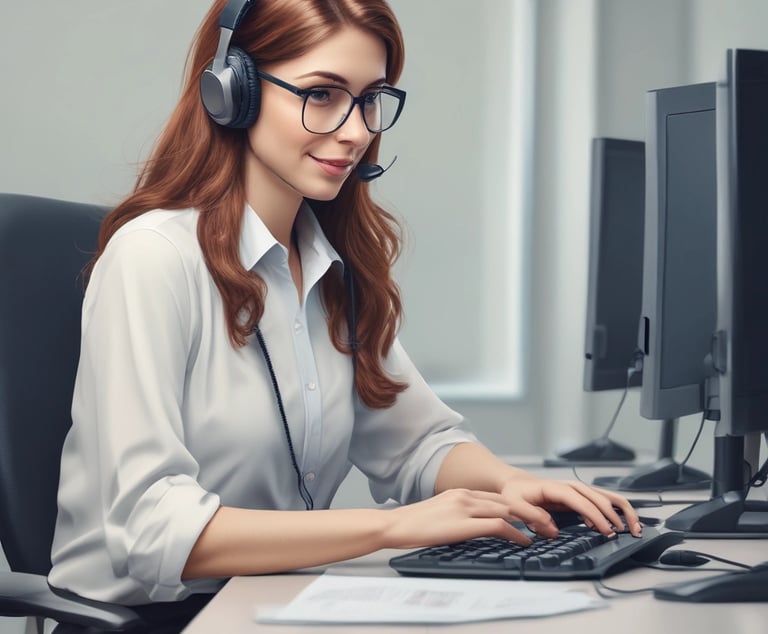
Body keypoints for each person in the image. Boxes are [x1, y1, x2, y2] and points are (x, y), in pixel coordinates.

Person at [49, 0, 641, 628]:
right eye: (323, 94)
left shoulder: (331, 266)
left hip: (271, 605)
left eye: (370, 98)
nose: (357, 130)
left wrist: (507, 483)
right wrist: (389, 528)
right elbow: (151, 528)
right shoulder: (154, 258)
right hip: (154, 621)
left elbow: (416, 441)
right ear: (233, 93)